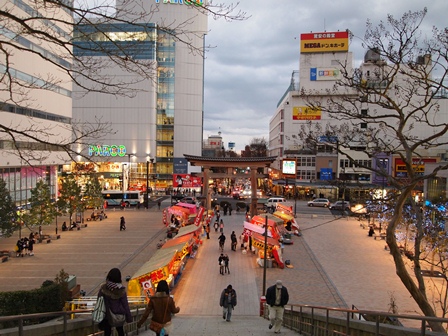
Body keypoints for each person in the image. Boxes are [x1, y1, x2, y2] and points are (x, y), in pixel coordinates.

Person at [97, 268, 132, 336]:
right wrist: (129, 318)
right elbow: (125, 305)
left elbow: (99, 302)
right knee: (120, 331)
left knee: (107, 332)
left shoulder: (103, 288)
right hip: (118, 315)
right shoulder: (121, 290)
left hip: (106, 315)